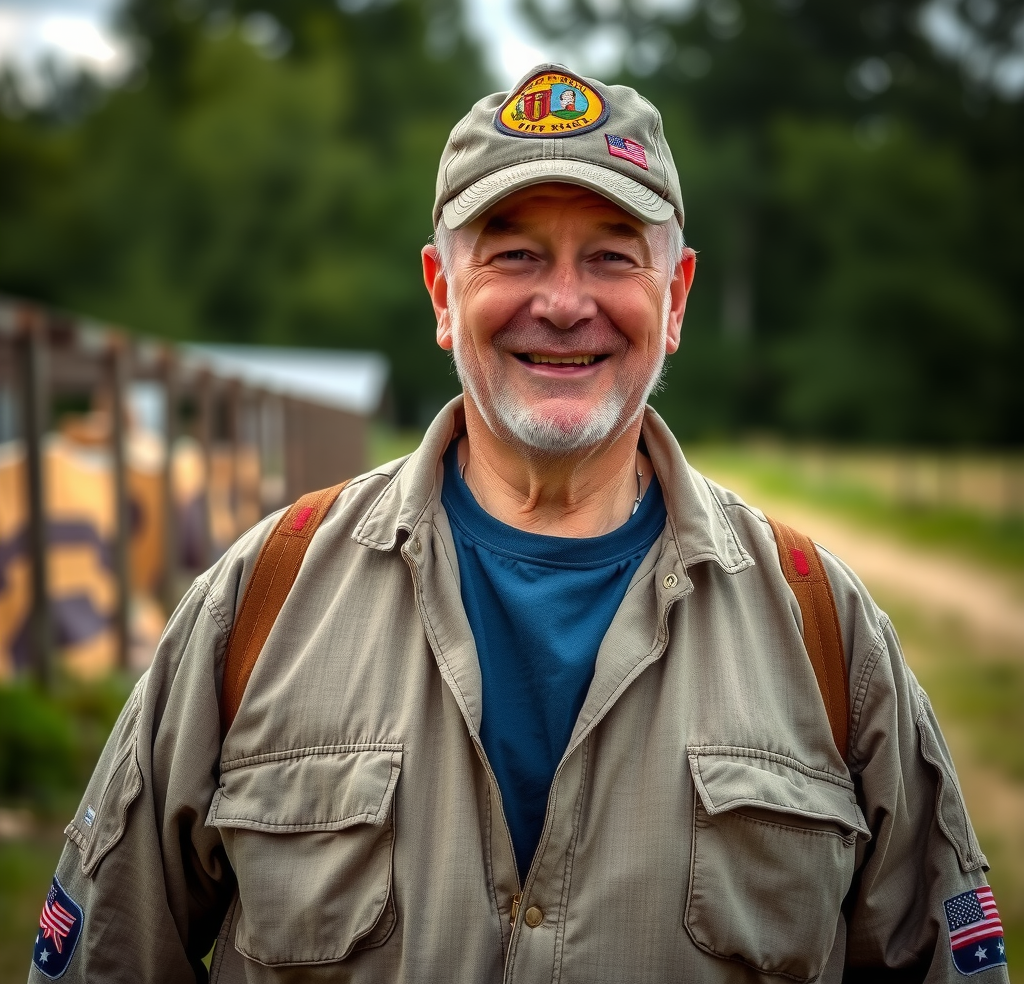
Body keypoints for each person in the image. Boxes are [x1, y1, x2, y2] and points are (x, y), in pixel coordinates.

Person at [29, 62, 1008, 983]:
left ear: (674, 300)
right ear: (441, 293)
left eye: (611, 256)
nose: (563, 301)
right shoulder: (260, 603)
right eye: (515, 253)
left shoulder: (825, 633)